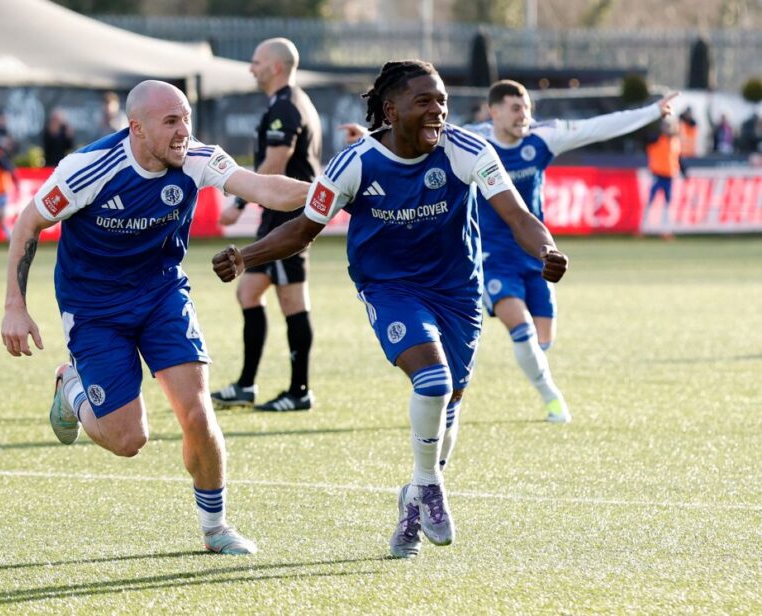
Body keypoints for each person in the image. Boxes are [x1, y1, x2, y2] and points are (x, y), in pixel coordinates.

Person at [212, 61, 568, 559]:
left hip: (457, 291)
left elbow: (516, 214)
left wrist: (545, 249)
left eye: (441, 101)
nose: (437, 111)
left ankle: (413, 497)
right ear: (390, 109)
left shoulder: (466, 149)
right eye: (424, 101)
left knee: (451, 401)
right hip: (390, 287)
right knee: (434, 381)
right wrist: (244, 255)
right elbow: (301, 230)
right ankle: (429, 486)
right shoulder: (354, 163)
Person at [1, 80, 310, 555]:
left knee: (197, 411)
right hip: (94, 307)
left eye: (187, 118)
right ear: (137, 128)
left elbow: (263, 186)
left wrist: (330, 194)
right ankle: (71, 385)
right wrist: (15, 307)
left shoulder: (196, 158)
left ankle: (215, 528)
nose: (184, 131)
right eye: (171, 121)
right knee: (128, 439)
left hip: (162, 293)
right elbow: (28, 224)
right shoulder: (87, 169)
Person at [342, 80, 676, 424]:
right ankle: (552, 399)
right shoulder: (471, 140)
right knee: (523, 329)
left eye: (528, 108)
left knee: (543, 340)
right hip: (491, 258)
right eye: (517, 108)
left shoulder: (542, 138)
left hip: (534, 251)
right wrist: (370, 139)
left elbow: (597, 128)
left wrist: (651, 112)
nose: (525, 116)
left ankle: (528, 384)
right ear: (495, 111)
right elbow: (411, 130)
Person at [211, 38, 322, 413]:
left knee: (292, 301)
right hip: (281, 214)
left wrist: (240, 201)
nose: (250, 68)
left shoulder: (285, 107)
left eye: (256, 61)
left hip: (287, 218)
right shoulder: (292, 102)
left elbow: (275, 163)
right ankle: (245, 385)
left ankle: (299, 390)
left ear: (275, 66)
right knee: (248, 293)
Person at [644, 116, 684, 239]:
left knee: (667, 205)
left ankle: (666, 230)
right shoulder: (656, 139)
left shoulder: (676, 141)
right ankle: (643, 228)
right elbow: (646, 137)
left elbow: (678, 158)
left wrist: (684, 172)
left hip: (670, 177)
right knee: (650, 202)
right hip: (657, 174)